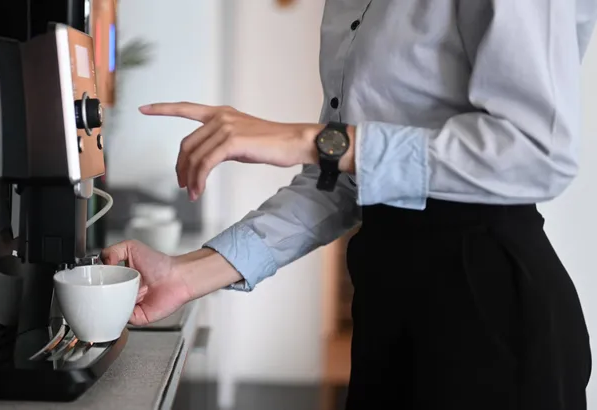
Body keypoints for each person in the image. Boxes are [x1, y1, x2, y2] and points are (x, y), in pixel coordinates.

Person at [102, 1, 596, 409]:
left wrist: (312, 139)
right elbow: (338, 179)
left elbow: (536, 152)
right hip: (388, 306)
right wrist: (187, 274)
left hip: (491, 311)